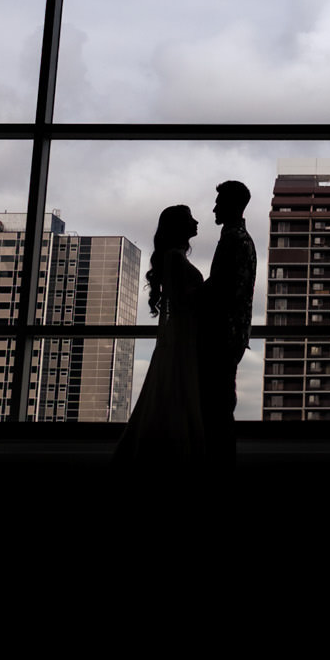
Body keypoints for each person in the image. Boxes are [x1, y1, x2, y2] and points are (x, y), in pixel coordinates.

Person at [112, 206, 206, 468]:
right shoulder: (175, 259)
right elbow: (183, 301)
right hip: (183, 339)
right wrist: (209, 289)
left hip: (180, 338)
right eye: (190, 219)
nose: (196, 222)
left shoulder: (172, 258)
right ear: (179, 227)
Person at [199, 180, 257, 465]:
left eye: (219, 202)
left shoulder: (234, 240)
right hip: (231, 337)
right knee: (221, 408)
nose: (214, 208)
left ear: (232, 205)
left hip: (221, 337)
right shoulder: (241, 239)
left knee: (217, 410)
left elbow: (220, 289)